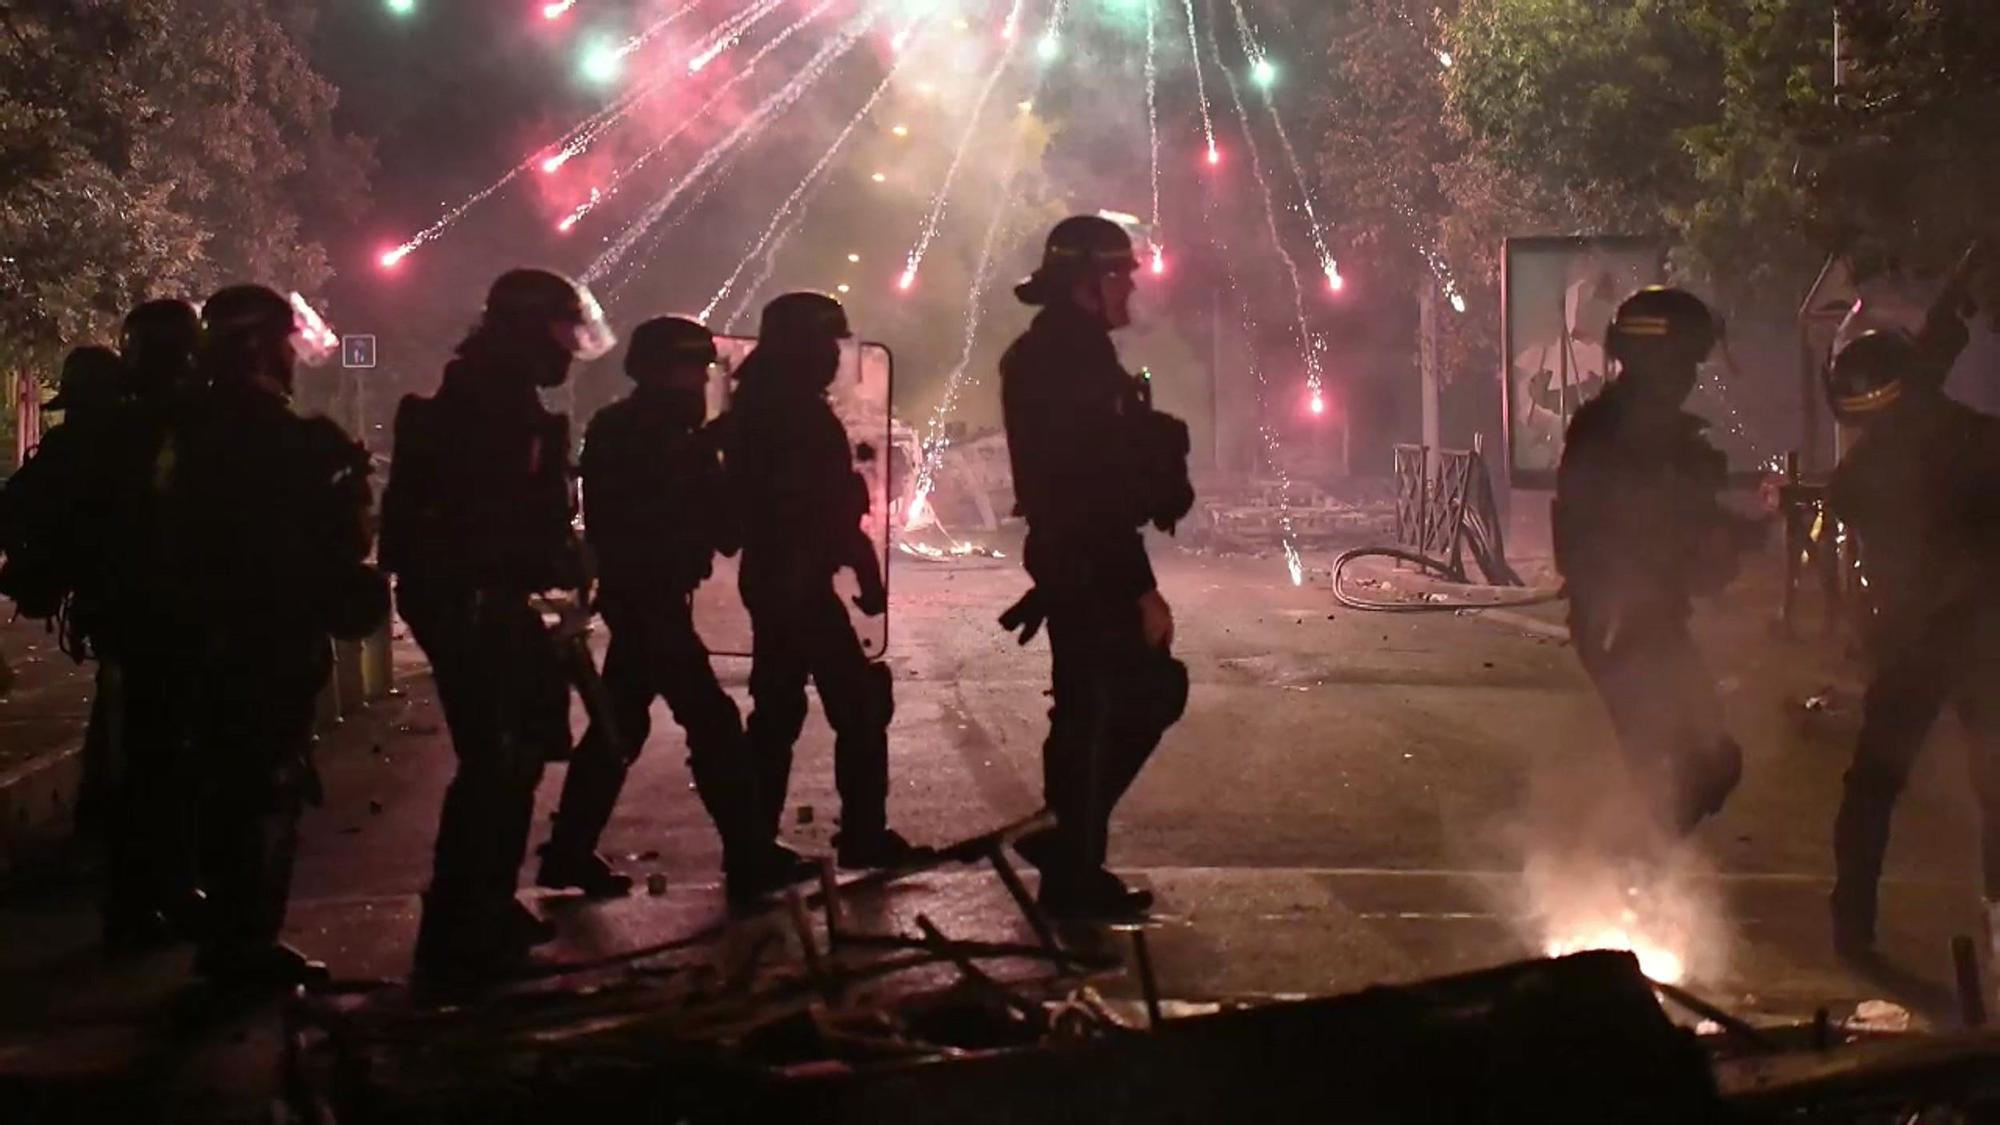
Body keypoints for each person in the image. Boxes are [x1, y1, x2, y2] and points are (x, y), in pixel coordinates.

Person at [382, 269, 611, 985]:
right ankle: (460, 920)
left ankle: (485, 902)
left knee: (516, 757)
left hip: (493, 601)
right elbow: (476, 524)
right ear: (521, 331)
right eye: (556, 335)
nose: (567, 353)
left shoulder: (503, 402)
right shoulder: (481, 409)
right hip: (475, 605)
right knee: (497, 759)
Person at [542, 316, 810, 904]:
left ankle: (568, 851)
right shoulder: (661, 438)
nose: (697, 382)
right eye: (690, 369)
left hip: (641, 596)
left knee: (623, 723)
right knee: (712, 725)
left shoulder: (624, 429)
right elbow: (714, 526)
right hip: (650, 599)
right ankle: (750, 854)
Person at [162, 285, 385, 987]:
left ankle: (232, 939)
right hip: (260, 642)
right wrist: (345, 484)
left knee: (228, 788)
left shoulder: (185, 428)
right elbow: (322, 544)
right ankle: (241, 948)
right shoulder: (276, 438)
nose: (293, 359)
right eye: (285, 345)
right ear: (260, 347)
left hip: (197, 640)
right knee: (262, 791)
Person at [997, 215, 1194, 921]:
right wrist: (1141, 587)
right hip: (1090, 552)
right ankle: (1068, 847)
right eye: (1119, 272)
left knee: (1087, 709)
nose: (1132, 284)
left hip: (1071, 548)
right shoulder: (1071, 363)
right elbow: (1095, 484)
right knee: (1143, 692)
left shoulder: (1050, 353)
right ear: (1087, 282)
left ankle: (1072, 862)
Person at [724, 292, 927, 869]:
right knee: (857, 706)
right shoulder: (791, 412)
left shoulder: (761, 406)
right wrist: (860, 560)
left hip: (779, 575)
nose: (833, 357)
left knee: (779, 710)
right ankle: (858, 835)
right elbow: (811, 507)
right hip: (797, 579)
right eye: (824, 343)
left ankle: (753, 846)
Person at [1823, 309, 2000, 959]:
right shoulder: (1976, 436)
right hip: (1980, 637)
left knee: (1874, 784)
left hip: (1927, 641)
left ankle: (1851, 925)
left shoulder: (1864, 471)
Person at [1553, 287, 1760, 837]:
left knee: (1707, 758)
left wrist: (1733, 533)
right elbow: (1610, 520)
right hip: (1619, 618)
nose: (1690, 377)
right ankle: (1634, 883)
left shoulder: (1660, 434)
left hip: (1652, 614)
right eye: (1686, 362)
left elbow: (1685, 523)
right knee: (1663, 764)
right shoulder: (1610, 431)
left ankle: (1648, 871)